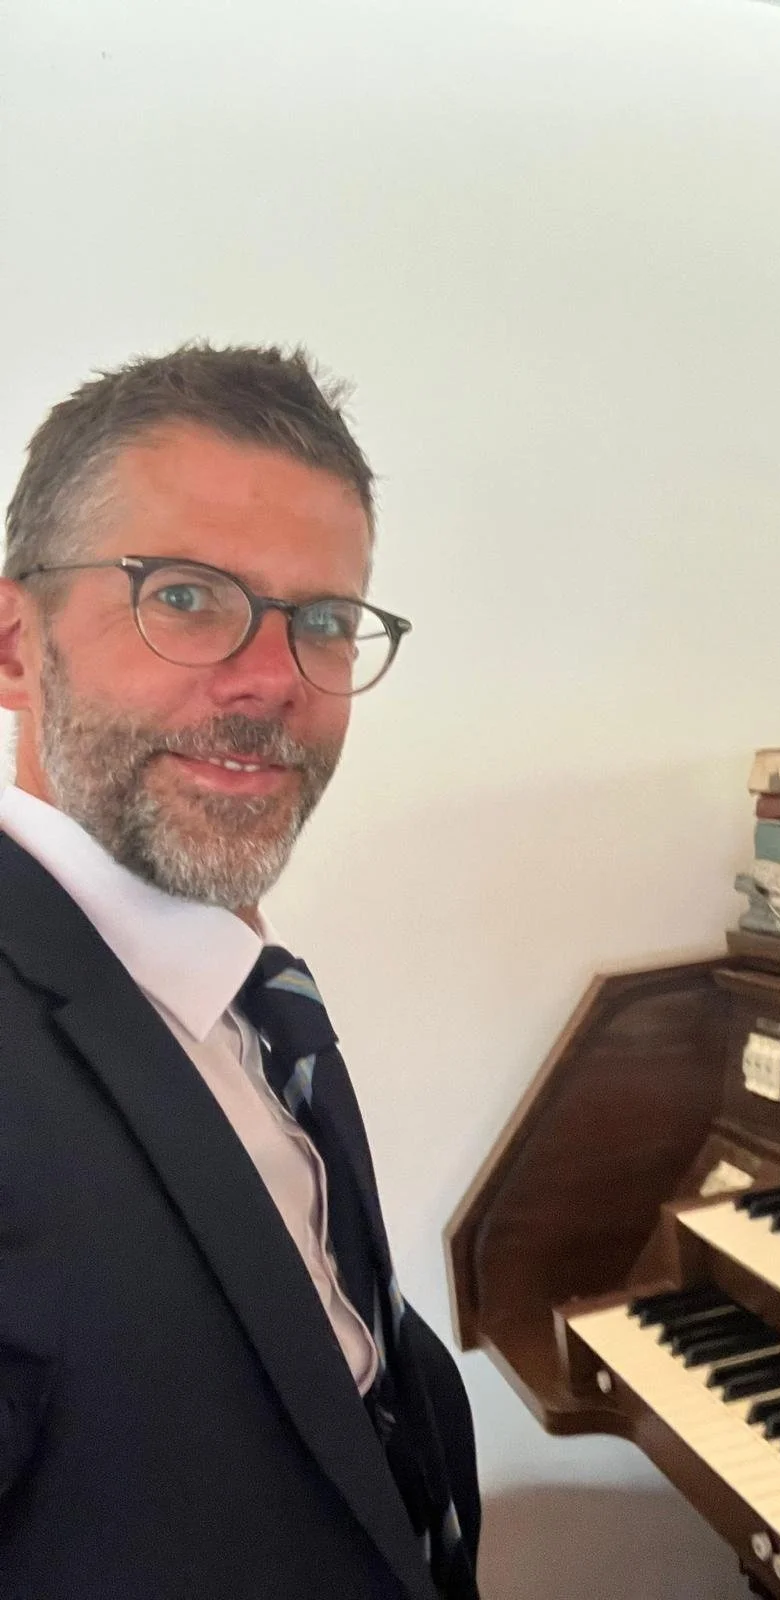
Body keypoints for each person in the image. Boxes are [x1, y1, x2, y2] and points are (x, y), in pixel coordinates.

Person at [0, 345, 481, 1600]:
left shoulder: (239, 992)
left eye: (322, 619)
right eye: (186, 596)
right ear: (12, 646)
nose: (274, 678)